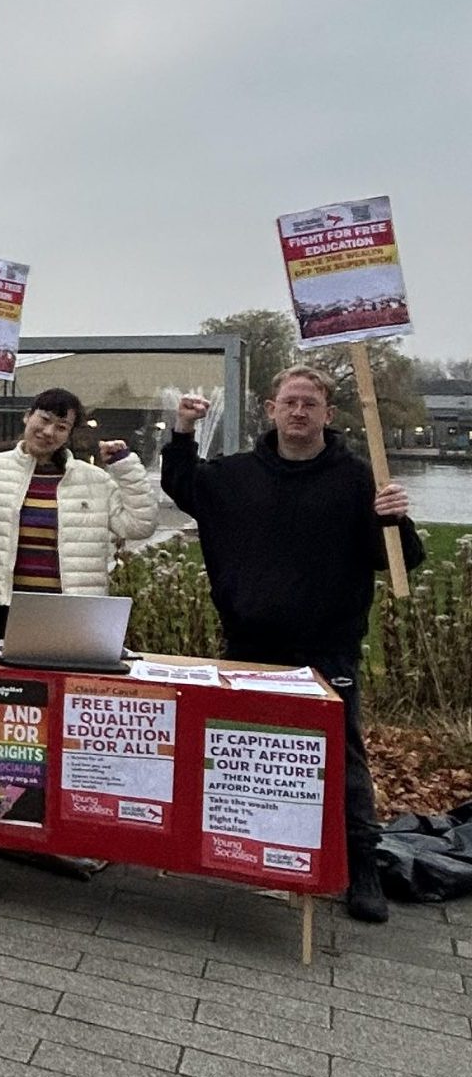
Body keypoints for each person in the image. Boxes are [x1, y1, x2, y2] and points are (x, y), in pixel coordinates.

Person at [162, 368, 423, 924]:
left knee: (344, 761)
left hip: (327, 649)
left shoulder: (360, 481)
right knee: (240, 755)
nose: (299, 412)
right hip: (250, 645)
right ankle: (246, 853)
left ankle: (362, 866)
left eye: (311, 403)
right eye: (290, 402)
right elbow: (183, 484)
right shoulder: (236, 476)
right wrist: (182, 429)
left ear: (329, 414)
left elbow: (397, 561)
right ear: (270, 410)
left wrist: (396, 519)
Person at [0, 387, 158, 636]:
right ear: (27, 416)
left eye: (62, 427)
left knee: (66, 675)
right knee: (13, 675)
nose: (49, 432)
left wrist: (126, 466)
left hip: (75, 606)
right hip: (10, 605)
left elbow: (139, 525)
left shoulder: (92, 480)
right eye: (44, 420)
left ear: (69, 435)